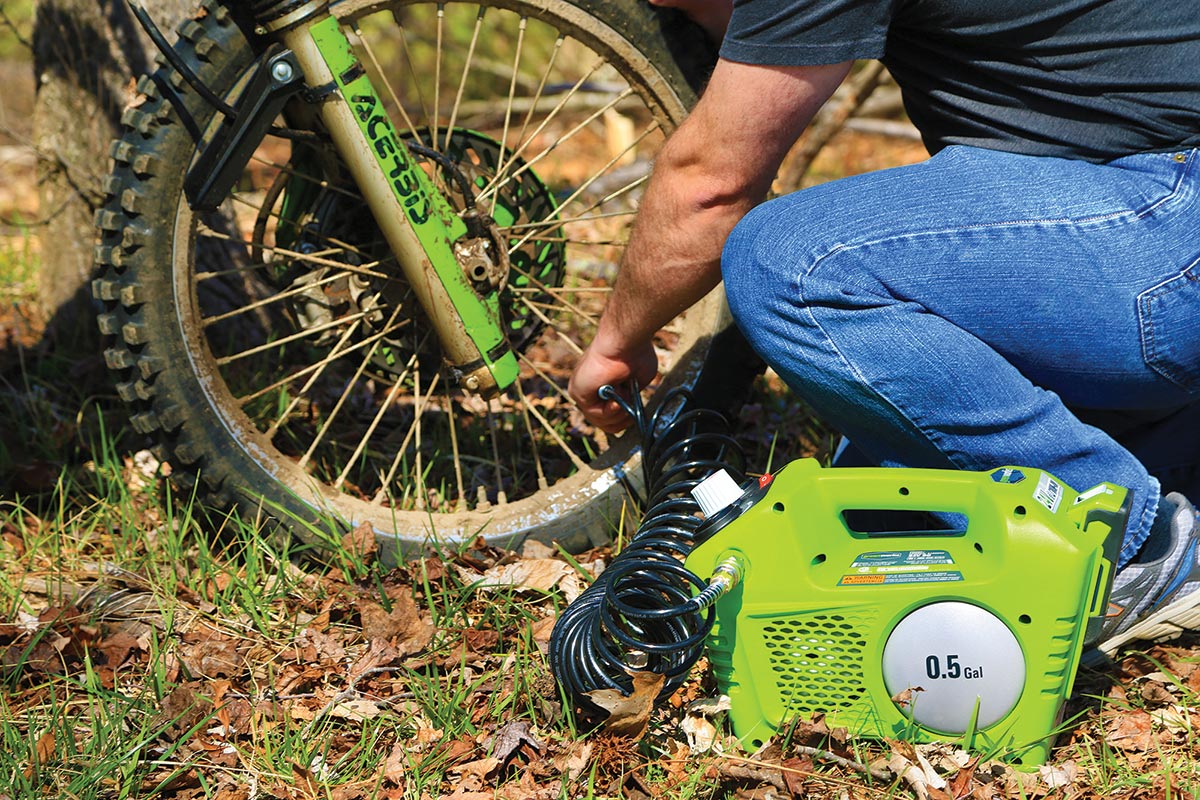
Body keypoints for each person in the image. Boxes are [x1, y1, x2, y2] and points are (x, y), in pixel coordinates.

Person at [567, 0, 1200, 659]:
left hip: (1172, 219)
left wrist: (617, 343)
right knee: (882, 488)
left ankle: (1135, 548)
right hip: (1142, 208)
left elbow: (712, 184)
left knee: (791, 263)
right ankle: (1170, 459)